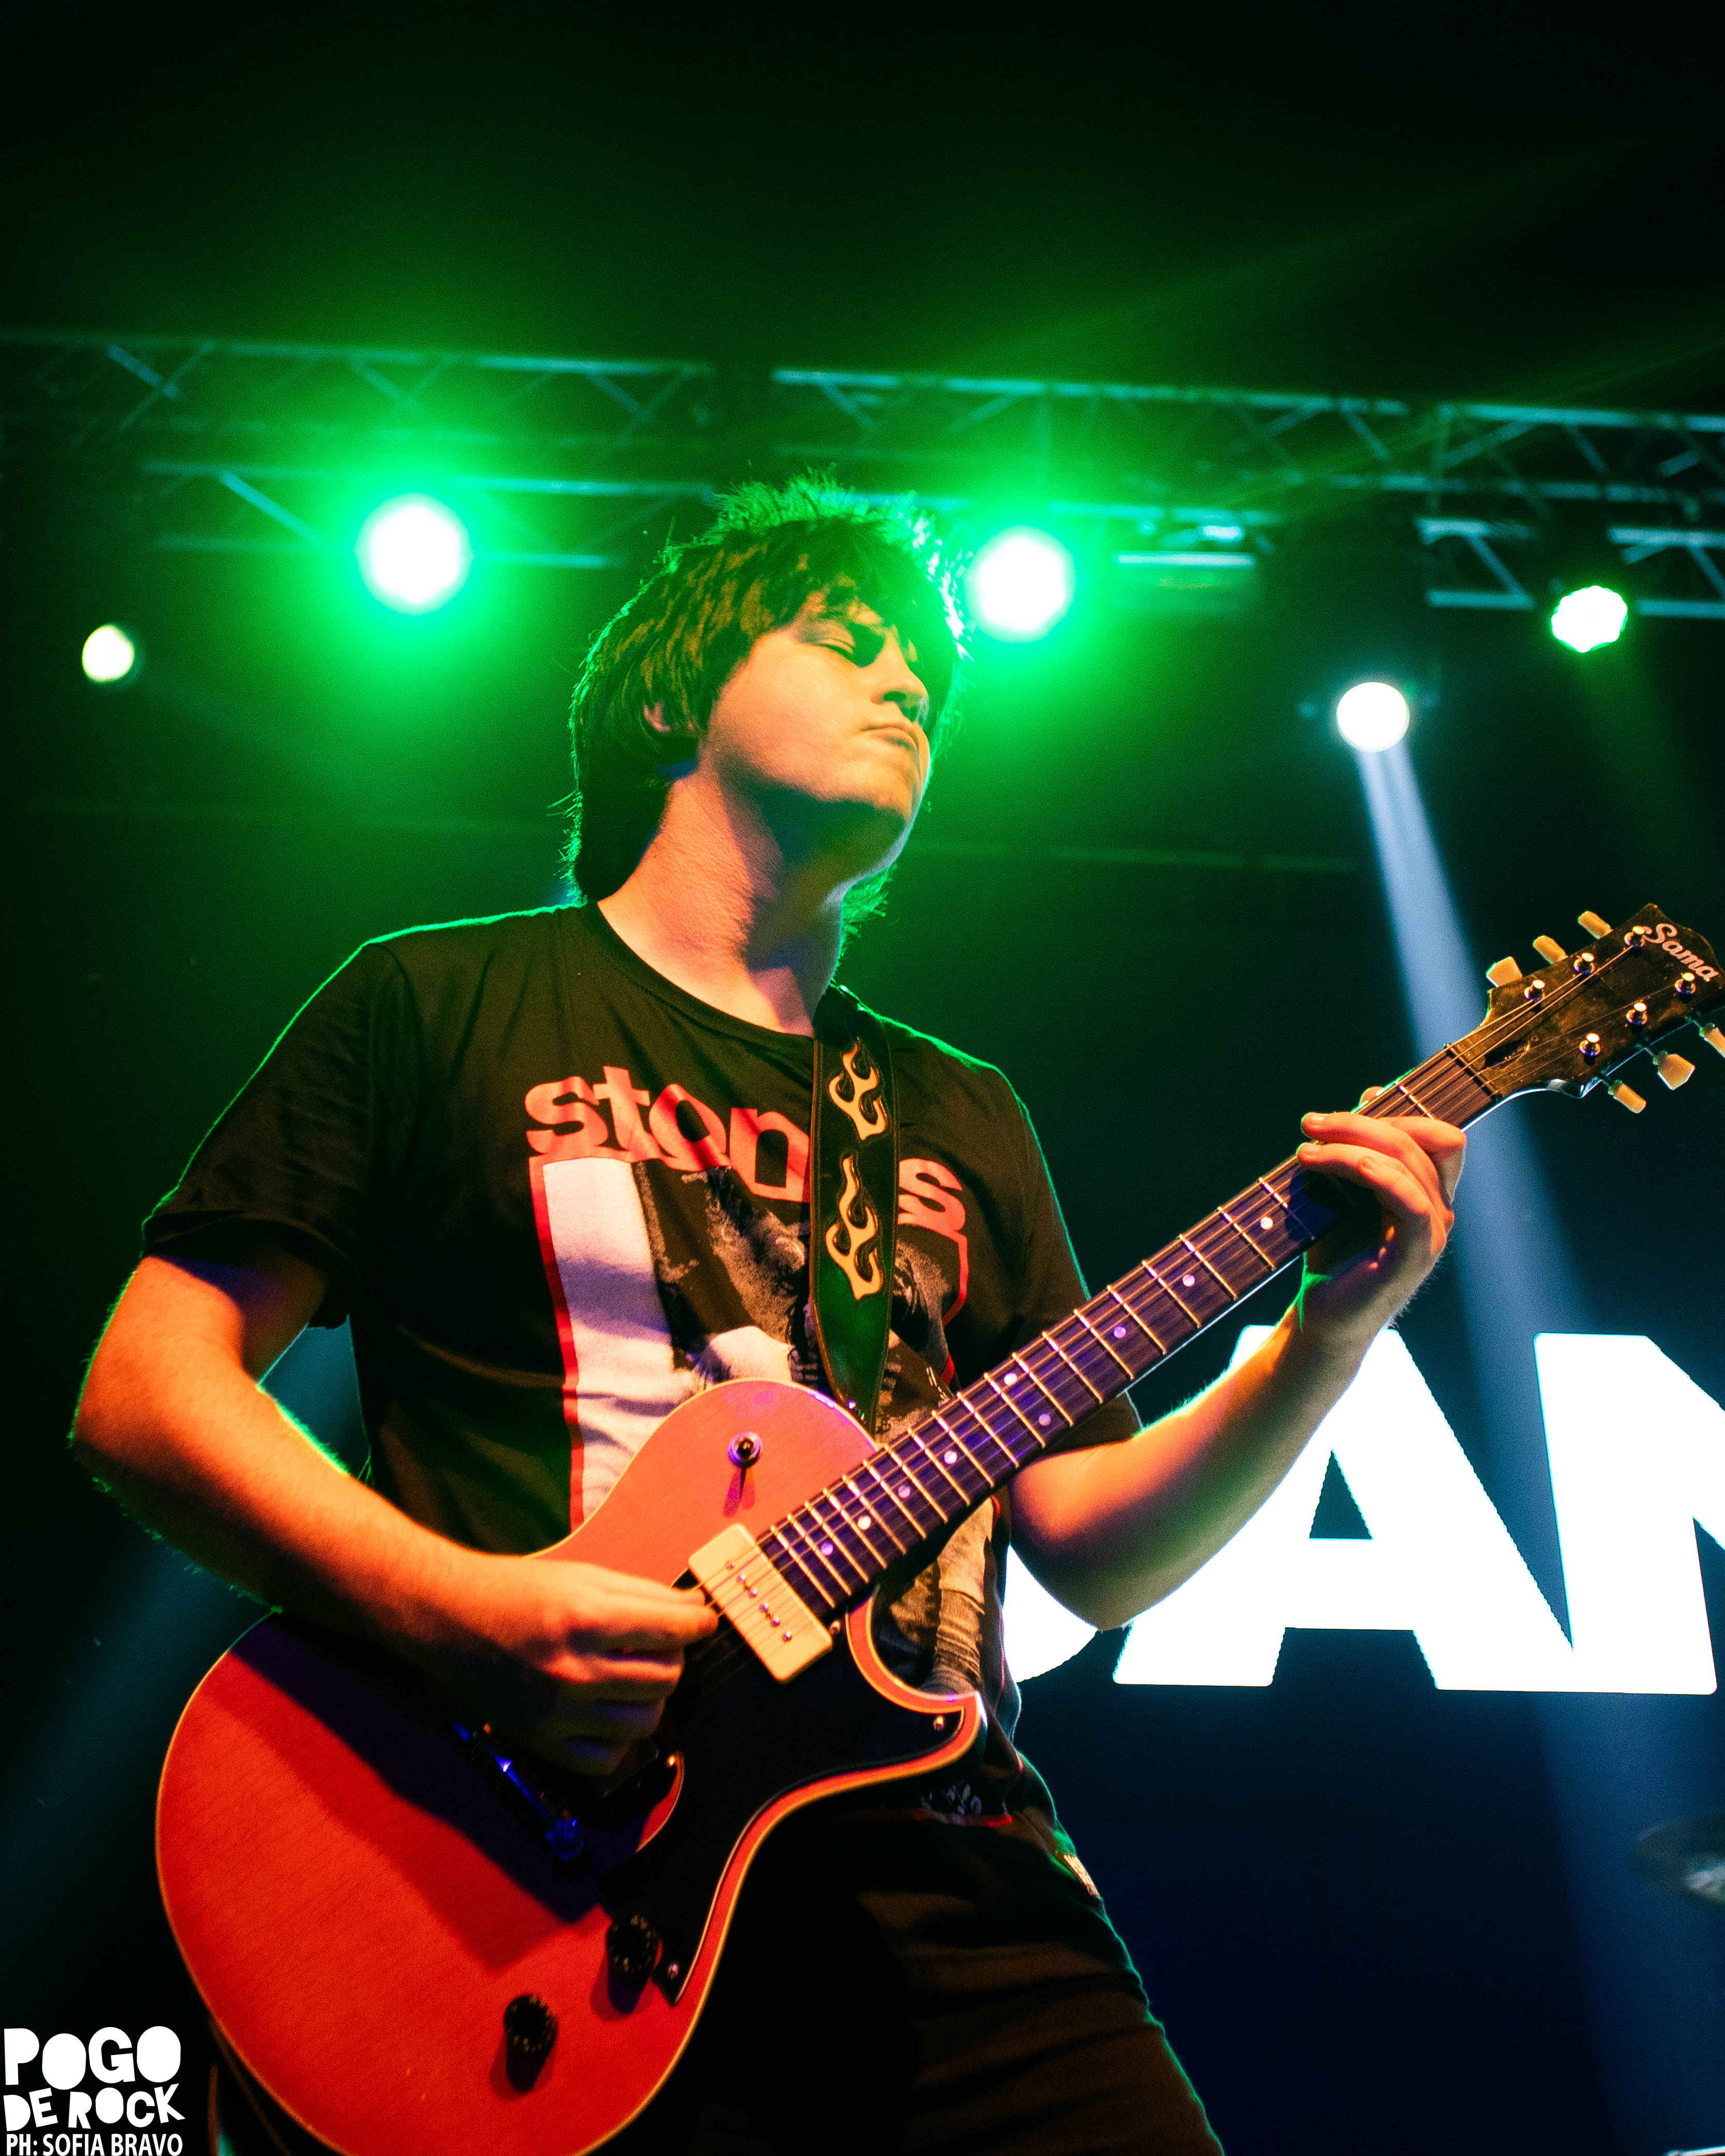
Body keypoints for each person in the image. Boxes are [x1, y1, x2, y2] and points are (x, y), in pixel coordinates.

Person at [73, 477, 1464, 2153]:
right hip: (553, 1885)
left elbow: (1090, 1540)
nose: (905, 692)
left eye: (927, 686)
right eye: (846, 641)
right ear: (674, 696)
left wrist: (1325, 1333)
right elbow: (146, 1392)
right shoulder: (431, 1003)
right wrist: (458, 1612)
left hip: (950, 1876)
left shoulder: (956, 1108)